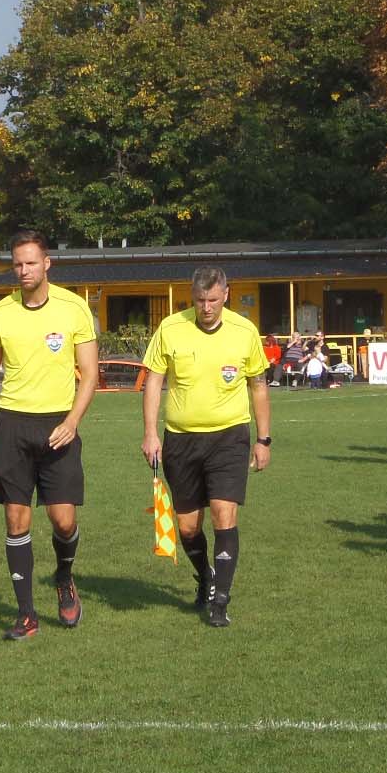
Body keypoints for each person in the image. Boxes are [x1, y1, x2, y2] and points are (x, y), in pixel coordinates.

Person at [0, 230, 98, 640]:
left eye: (30, 262)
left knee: (63, 520)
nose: (23, 270)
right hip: (12, 425)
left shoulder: (74, 308)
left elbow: (90, 375)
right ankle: (26, 615)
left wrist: (72, 421)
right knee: (15, 519)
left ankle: (64, 576)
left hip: (59, 425)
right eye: (17, 263)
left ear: (47, 263)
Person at [141, 267, 273, 629]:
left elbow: (258, 386)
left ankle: (220, 601)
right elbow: (153, 381)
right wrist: (150, 433)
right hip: (180, 439)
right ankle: (206, 576)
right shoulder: (171, 328)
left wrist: (263, 439)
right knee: (187, 528)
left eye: (213, 300)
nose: (207, 307)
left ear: (226, 295)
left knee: (223, 514)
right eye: (200, 300)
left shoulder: (245, 331)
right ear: (192, 297)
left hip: (229, 437)